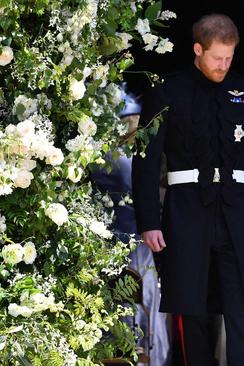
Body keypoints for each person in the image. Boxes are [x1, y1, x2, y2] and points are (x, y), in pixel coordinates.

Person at [131, 14, 244, 366]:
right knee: (192, 309)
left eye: (230, 57)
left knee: (239, 308)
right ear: (198, 49)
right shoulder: (168, 90)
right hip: (186, 212)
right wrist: (148, 220)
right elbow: (146, 159)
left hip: (234, 213)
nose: (224, 65)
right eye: (217, 57)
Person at [92, 87, 172, 366]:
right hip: (134, 245)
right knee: (140, 309)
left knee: (114, 313)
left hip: (104, 246)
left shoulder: (100, 156)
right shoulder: (131, 159)